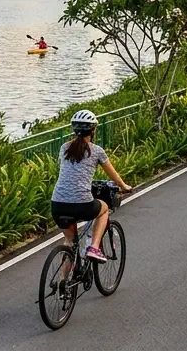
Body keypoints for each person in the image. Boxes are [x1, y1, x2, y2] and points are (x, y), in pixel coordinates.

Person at [51, 110, 132, 263]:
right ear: (93, 129)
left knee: (70, 243)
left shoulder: (64, 148)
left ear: (74, 129)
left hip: (57, 204)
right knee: (103, 208)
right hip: (82, 204)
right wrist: (124, 186)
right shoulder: (97, 151)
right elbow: (113, 175)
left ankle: (63, 282)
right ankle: (94, 247)